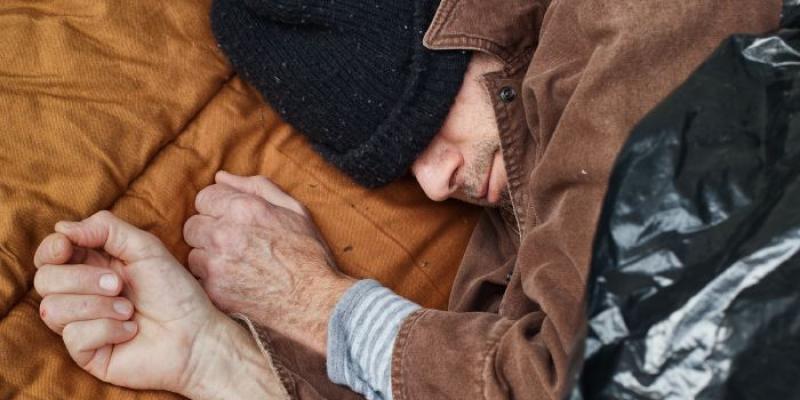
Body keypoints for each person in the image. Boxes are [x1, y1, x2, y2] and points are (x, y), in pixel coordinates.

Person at [33, 0, 780, 399]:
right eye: (395, 170)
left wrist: (317, 305)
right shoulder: (514, 222)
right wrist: (218, 362)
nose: (430, 181)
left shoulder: (648, 15)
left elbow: (608, 377)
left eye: (421, 126)